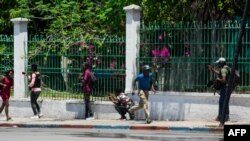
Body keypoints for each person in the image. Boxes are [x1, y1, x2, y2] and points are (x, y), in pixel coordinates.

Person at [208, 57, 230, 122]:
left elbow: (224, 80)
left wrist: (218, 79)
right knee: (225, 102)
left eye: (219, 63)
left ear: (221, 63)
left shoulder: (223, 70)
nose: (218, 65)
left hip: (224, 88)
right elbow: (221, 74)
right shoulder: (226, 68)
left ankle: (220, 117)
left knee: (221, 102)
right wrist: (213, 70)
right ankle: (226, 117)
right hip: (227, 88)